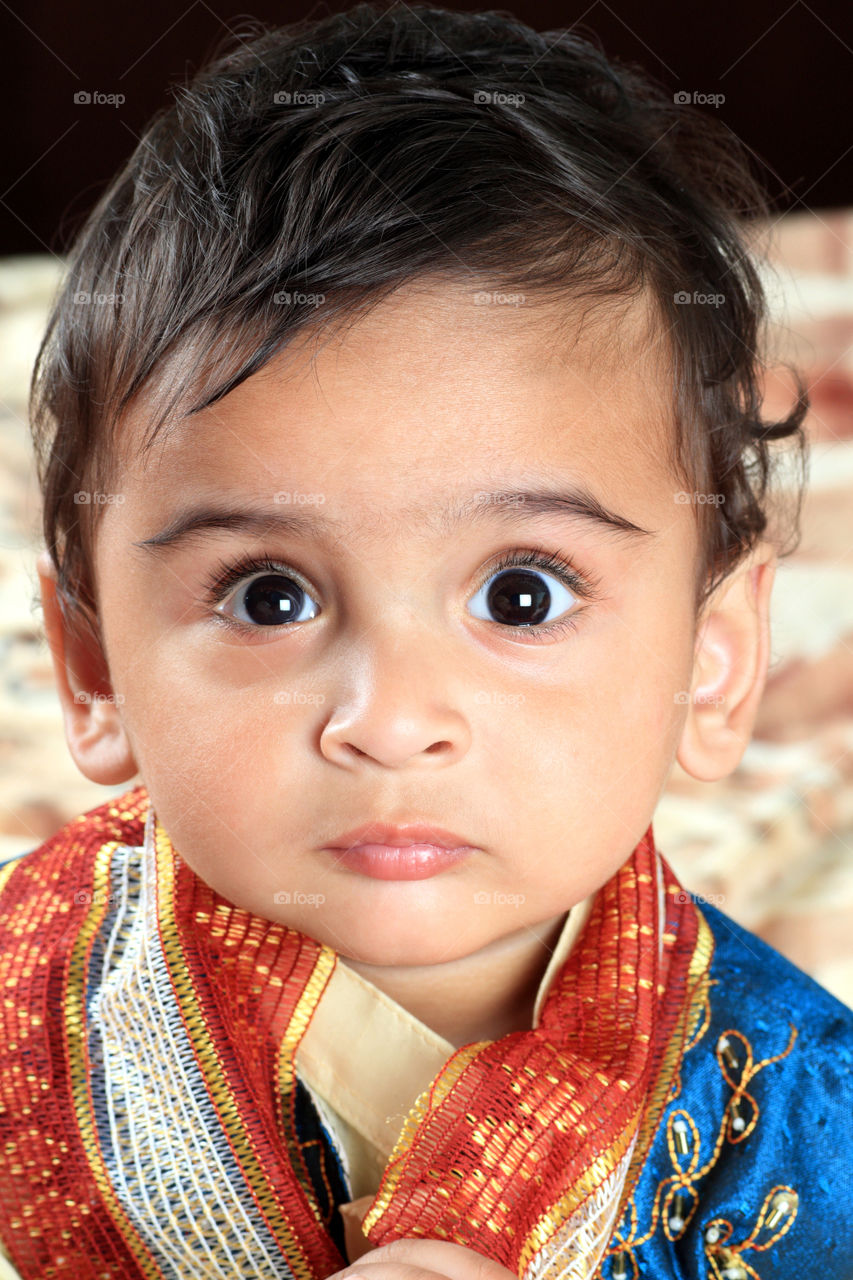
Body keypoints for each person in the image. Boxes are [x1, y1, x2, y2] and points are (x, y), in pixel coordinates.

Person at [1, 3, 851, 1277]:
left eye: (521, 594)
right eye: (270, 595)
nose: (392, 718)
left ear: (711, 661)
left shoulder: (791, 1113)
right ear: (97, 672)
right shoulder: (40, 986)